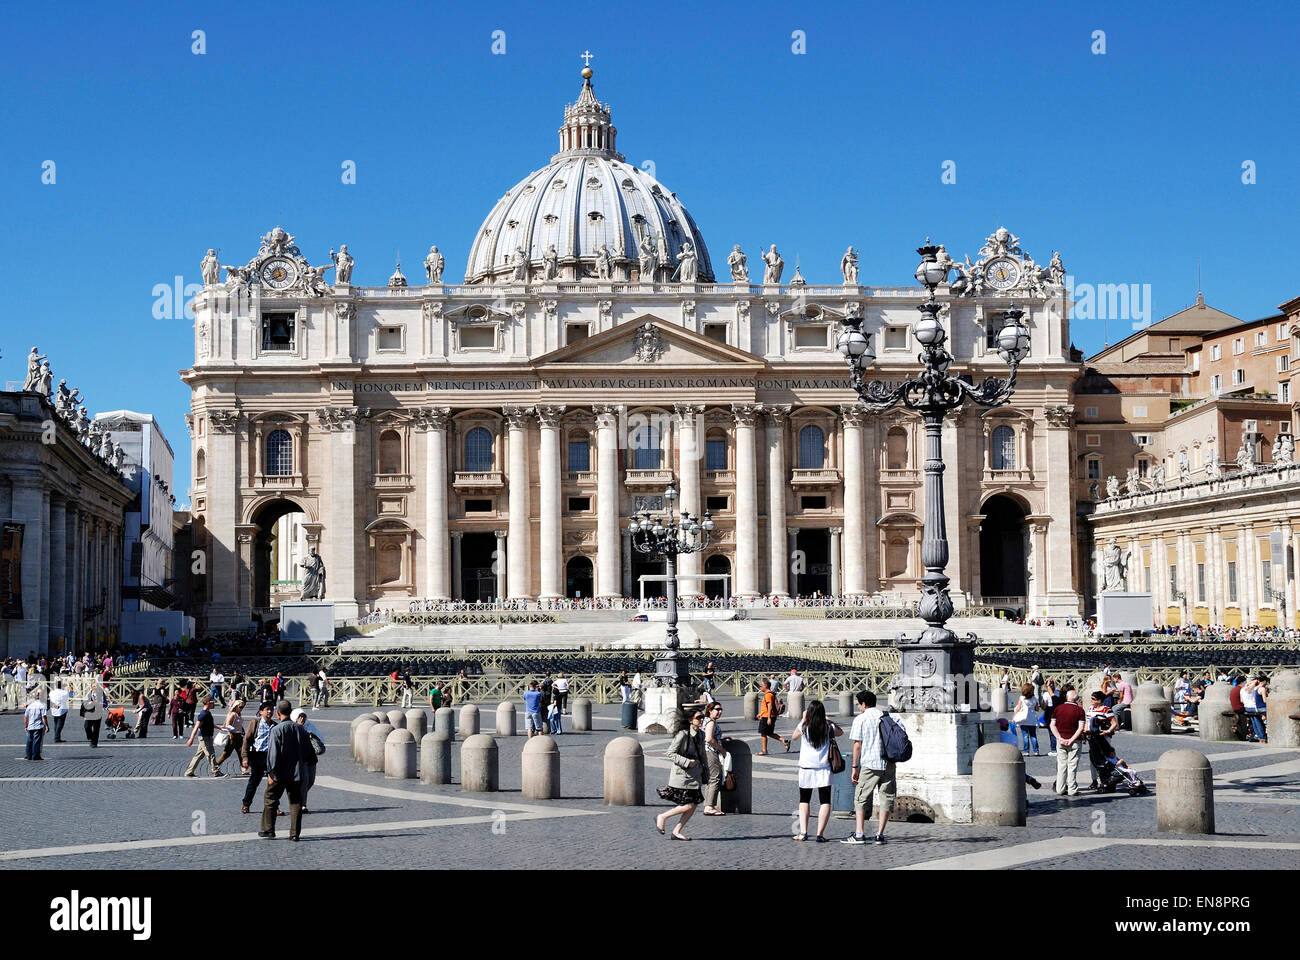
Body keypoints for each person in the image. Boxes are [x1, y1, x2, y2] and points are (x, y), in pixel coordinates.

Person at [844, 691, 893, 845]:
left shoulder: (861, 719)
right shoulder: (887, 716)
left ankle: (859, 834)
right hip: (889, 763)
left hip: (870, 764)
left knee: (860, 798)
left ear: (864, 704)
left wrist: (854, 767)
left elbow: (857, 745)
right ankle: (880, 834)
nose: (858, 707)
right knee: (887, 798)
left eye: (858, 704)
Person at [789, 699, 842, 842]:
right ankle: (820, 834)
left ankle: (804, 832)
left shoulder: (804, 726)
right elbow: (840, 732)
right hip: (823, 768)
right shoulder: (827, 727)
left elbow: (793, 737)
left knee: (804, 800)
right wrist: (830, 721)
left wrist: (803, 719)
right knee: (825, 801)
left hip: (806, 767)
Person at [260, 700, 314, 841]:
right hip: (297, 773)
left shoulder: (277, 730)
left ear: (278, 713)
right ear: (291, 713)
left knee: (270, 798)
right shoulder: (301, 729)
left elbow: (273, 753)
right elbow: (308, 751)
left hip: (279, 773)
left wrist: (270, 772)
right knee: (296, 802)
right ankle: (294, 833)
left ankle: (269, 830)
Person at [655, 709, 706, 840]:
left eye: (702, 717)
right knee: (688, 805)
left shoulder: (701, 734)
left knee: (693, 806)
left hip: (695, 776)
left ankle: (676, 831)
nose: (701, 719)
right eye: (699, 717)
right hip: (682, 776)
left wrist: (706, 771)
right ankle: (663, 816)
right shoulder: (683, 734)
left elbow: (702, 755)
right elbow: (670, 753)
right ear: (690, 720)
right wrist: (687, 762)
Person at [241, 701, 277, 815]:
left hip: (270, 756)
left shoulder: (275, 725)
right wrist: (245, 757)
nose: (270, 712)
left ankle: (274, 806)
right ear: (261, 712)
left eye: (271, 709)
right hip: (257, 755)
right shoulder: (255, 722)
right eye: (267, 709)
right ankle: (246, 804)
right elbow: (247, 740)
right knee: (254, 782)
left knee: (273, 783)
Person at [1050, 686, 1086, 797]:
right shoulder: (1080, 710)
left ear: (1066, 697)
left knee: (1061, 766)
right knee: (1072, 766)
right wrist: (1071, 739)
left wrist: (1059, 738)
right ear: (1076, 699)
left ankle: (1060, 789)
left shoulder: (1058, 708)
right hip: (1074, 742)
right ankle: (1072, 789)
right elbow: (1080, 728)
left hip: (1060, 741)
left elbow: (1052, 725)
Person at [290, 707, 323, 814]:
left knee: (311, 781)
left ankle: (299, 797)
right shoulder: (292, 727)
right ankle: (302, 804)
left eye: (303, 716)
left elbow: (319, 738)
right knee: (304, 782)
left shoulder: (309, 726)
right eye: (299, 717)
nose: (302, 719)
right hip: (300, 759)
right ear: (295, 717)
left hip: (311, 758)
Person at [701, 701, 729, 816]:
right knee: (715, 777)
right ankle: (709, 806)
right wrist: (721, 749)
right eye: (717, 709)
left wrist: (722, 740)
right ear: (710, 710)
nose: (720, 712)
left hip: (705, 751)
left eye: (721, 710)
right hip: (710, 752)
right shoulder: (710, 722)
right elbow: (709, 739)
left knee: (710, 778)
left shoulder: (705, 721)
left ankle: (708, 804)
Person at [184, 698, 224, 778]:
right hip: (205, 737)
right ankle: (216, 771)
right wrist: (191, 738)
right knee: (210, 754)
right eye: (212, 702)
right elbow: (196, 726)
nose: (214, 704)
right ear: (207, 703)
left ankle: (189, 772)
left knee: (198, 755)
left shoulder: (207, 713)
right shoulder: (203, 714)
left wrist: (219, 727)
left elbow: (209, 724)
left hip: (207, 736)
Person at [756, 678, 789, 755]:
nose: (760, 687)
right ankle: (784, 741)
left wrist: (768, 718)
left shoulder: (768, 695)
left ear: (765, 686)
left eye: (761, 685)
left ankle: (764, 750)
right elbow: (767, 707)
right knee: (770, 733)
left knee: (763, 733)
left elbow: (769, 705)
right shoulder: (770, 694)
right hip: (767, 715)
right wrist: (761, 714)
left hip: (767, 717)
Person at [215, 700, 246, 770]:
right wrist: (230, 734)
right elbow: (227, 725)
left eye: (243, 707)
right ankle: (215, 766)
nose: (242, 708)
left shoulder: (239, 714)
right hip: (233, 736)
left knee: (241, 752)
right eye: (240, 707)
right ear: (236, 706)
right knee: (226, 754)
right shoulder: (232, 714)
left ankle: (244, 769)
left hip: (239, 736)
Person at [1013, 683, 1041, 756]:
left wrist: (1014, 717)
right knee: (1033, 735)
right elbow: (1037, 709)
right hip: (1032, 719)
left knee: (1025, 735)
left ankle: (1026, 751)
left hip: (1024, 719)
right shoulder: (1035, 699)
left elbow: (1018, 708)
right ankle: (1036, 751)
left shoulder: (1022, 698)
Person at [24, 685, 49, 760]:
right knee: (36, 741)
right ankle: (35, 755)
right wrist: (47, 726)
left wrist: (26, 726)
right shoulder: (42, 705)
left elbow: (26, 717)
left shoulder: (30, 706)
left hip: (30, 726)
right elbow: (43, 717)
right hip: (38, 726)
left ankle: (28, 755)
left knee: (29, 741)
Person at [80, 682, 106, 747]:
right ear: (91, 687)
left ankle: (94, 743)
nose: (95, 687)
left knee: (96, 729)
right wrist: (89, 703)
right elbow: (84, 703)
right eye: (94, 686)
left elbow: (105, 703)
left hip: (98, 713)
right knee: (86, 726)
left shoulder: (101, 694)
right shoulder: (88, 694)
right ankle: (91, 737)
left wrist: (99, 703)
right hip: (89, 713)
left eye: (96, 686)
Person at [1041, 677, 1060, 755]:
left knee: (1051, 732)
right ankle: (1059, 748)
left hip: (1049, 711)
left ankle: (1053, 749)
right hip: (1057, 710)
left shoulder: (1046, 694)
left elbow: (1044, 705)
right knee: (1058, 731)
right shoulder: (1058, 692)